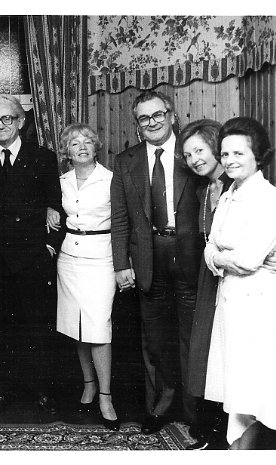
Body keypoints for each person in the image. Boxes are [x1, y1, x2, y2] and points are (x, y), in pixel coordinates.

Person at [110, 91, 202, 434]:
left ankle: (195, 413)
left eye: (158, 115)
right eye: (144, 118)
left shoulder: (192, 152)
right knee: (156, 340)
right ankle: (160, 408)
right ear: (137, 125)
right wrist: (121, 264)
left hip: (191, 257)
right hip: (148, 259)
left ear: (171, 115)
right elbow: (120, 218)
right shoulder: (126, 161)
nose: (152, 122)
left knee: (191, 337)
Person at [0, 94, 63, 415]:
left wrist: (49, 247)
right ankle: (1, 390)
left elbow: (56, 206)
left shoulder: (43, 157)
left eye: (7, 118)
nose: (0, 125)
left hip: (31, 259)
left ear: (20, 121)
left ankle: (42, 391)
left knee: (35, 328)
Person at [203, 117, 276, 449]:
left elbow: (247, 261)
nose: (230, 160)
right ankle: (238, 449)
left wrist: (218, 256)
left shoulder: (267, 198)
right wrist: (220, 255)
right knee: (236, 386)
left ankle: (243, 450)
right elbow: (209, 246)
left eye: (238, 153)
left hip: (258, 302)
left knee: (253, 387)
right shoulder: (228, 194)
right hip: (230, 298)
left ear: (257, 155)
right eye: (225, 154)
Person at [55, 123, 119, 431]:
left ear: (96, 147)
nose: (81, 147)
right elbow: (53, 208)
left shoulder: (111, 179)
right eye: (74, 143)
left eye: (87, 142)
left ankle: (106, 396)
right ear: (66, 152)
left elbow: (123, 222)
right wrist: (48, 210)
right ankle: (88, 384)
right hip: (69, 257)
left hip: (102, 257)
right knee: (76, 325)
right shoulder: (61, 181)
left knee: (99, 326)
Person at [176, 119, 232, 449]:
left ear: (215, 146)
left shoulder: (235, 186)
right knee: (206, 352)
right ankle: (212, 428)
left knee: (225, 354)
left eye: (199, 150)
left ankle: (225, 436)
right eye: (188, 155)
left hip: (231, 280)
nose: (194, 159)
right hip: (207, 279)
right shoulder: (204, 189)